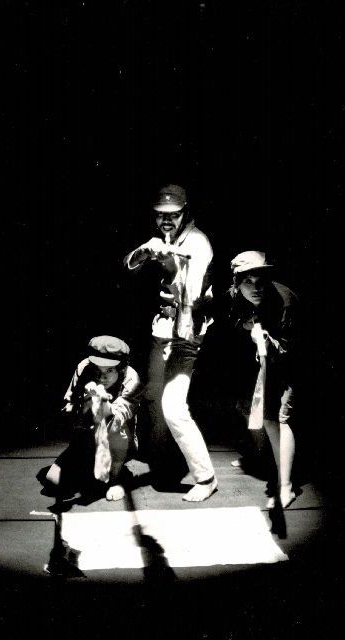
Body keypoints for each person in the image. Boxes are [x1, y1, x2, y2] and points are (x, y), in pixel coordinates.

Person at [124, 183, 218, 502]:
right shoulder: (165, 238)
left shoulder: (197, 242)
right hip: (162, 329)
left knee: (174, 408)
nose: (166, 220)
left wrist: (187, 317)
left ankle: (205, 478)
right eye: (160, 215)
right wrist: (145, 251)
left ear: (185, 213)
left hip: (184, 334)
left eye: (173, 215)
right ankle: (161, 458)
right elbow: (128, 265)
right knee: (152, 396)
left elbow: (193, 285)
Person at [228, 251, 299, 508]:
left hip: (289, 364)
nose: (256, 288)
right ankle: (262, 460)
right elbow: (233, 322)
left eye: (260, 282)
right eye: (248, 282)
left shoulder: (284, 302)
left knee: (276, 418)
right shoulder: (235, 295)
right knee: (248, 408)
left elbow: (292, 351)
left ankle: (286, 486)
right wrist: (246, 325)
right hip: (258, 360)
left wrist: (269, 342)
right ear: (237, 283)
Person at [41, 335, 143, 502]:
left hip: (117, 441)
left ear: (121, 368)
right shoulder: (83, 368)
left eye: (109, 370)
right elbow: (68, 414)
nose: (102, 377)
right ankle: (93, 468)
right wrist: (83, 405)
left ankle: (116, 477)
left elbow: (118, 420)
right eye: (97, 370)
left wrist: (102, 402)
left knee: (117, 431)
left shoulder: (132, 379)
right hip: (85, 438)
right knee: (53, 481)